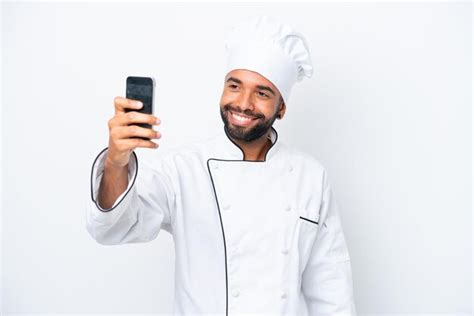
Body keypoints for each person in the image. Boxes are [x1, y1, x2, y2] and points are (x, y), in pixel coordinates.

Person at [86, 15, 357, 315]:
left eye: (262, 93)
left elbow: (331, 288)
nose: (243, 103)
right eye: (235, 86)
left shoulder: (310, 177)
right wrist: (116, 160)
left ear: (281, 107)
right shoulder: (183, 169)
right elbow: (112, 228)